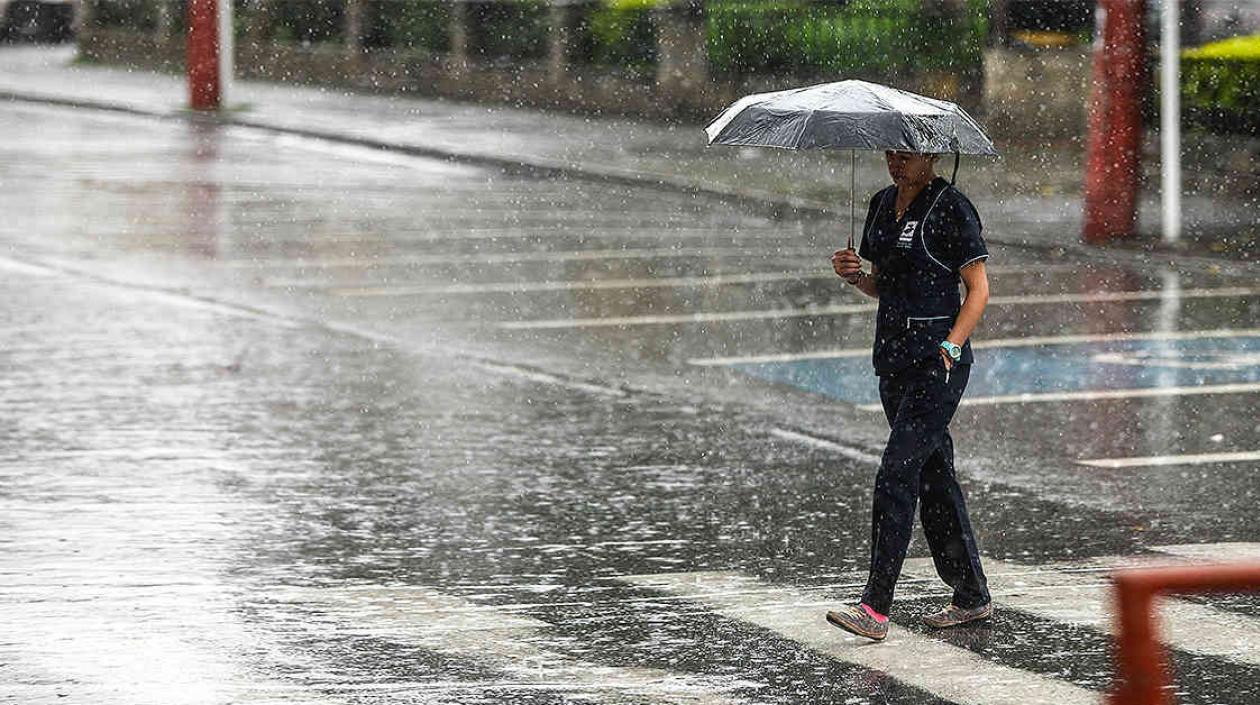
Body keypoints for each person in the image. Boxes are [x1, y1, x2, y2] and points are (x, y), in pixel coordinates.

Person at [825, 150, 993, 641]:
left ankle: (875, 607)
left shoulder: (951, 206)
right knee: (935, 477)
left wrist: (951, 345)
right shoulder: (879, 204)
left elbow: (978, 289)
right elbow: (888, 286)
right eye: (891, 154)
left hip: (936, 367)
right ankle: (971, 594)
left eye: (908, 156)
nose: (897, 164)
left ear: (933, 154)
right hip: (893, 361)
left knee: (896, 474)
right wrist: (855, 275)